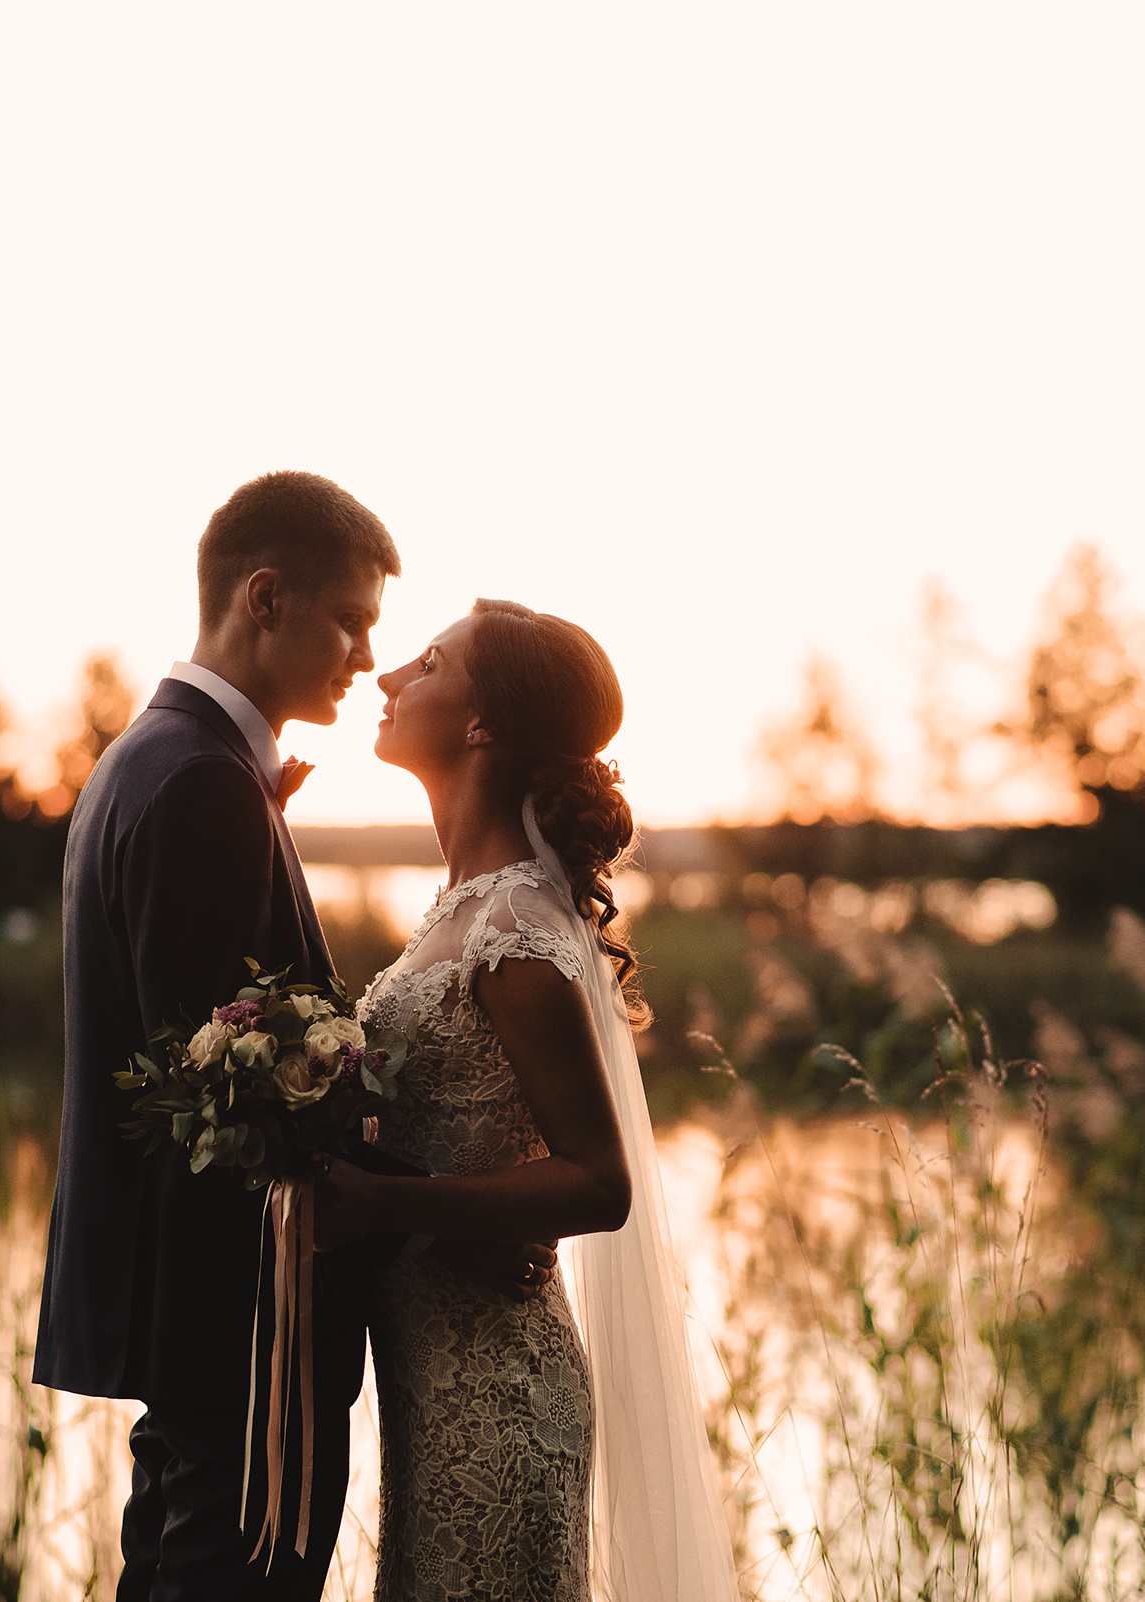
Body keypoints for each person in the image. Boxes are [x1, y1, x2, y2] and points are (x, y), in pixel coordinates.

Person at [32, 473, 550, 1601]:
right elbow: (240, 1106)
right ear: (265, 597)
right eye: (352, 619)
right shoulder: (201, 787)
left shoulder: (149, 762)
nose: (368, 655)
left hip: (196, 1328)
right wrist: (443, 1219)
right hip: (244, 1330)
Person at [319, 599, 736, 1602]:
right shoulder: (458, 910)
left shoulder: (516, 929)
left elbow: (600, 1183)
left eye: (428, 663)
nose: (387, 678)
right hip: (435, 1382)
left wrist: (387, 1205)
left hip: (500, 1394)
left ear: (482, 726)